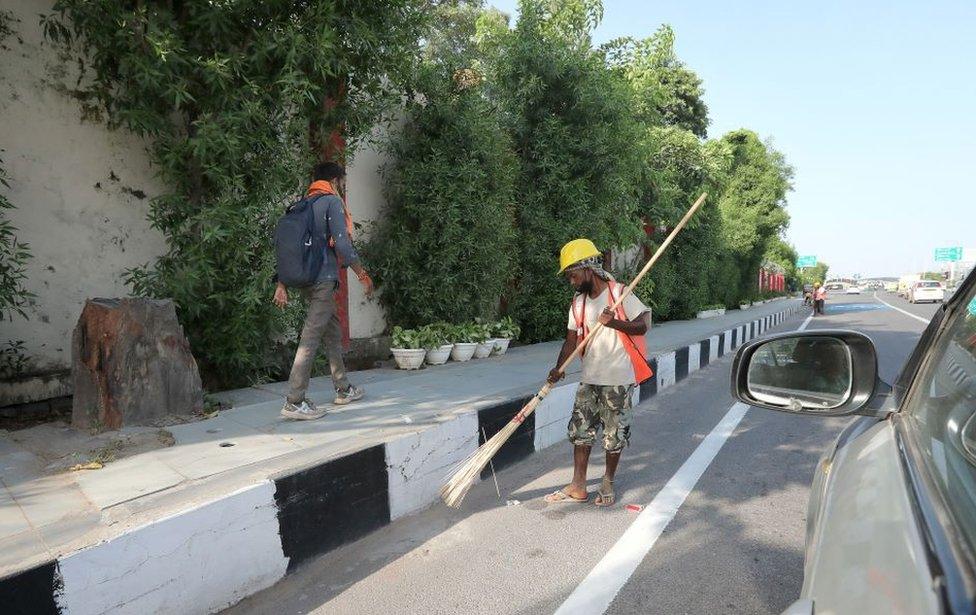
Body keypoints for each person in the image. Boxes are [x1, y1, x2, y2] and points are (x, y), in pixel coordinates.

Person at [543, 239, 652, 507]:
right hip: (589, 378)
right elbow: (570, 340)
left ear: (588, 268)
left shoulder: (620, 294)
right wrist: (559, 368)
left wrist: (614, 322)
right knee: (580, 432)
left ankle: (607, 482)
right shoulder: (578, 303)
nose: (571, 281)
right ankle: (578, 485)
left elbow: (644, 325)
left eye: (573, 275)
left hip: (618, 379)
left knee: (614, 436)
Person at [273, 162, 374, 420]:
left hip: (306, 278)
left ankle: (343, 388)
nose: (343, 186)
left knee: (332, 330)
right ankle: (294, 401)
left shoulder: (303, 205)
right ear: (335, 180)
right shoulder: (330, 202)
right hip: (323, 279)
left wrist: (281, 282)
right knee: (311, 336)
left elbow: (288, 248)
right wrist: (362, 274)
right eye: (343, 181)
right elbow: (342, 244)